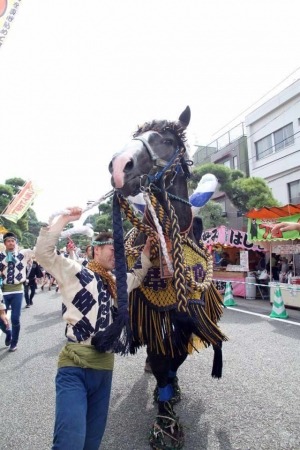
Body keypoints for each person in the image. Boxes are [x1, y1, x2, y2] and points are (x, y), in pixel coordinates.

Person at [35, 206, 152, 450]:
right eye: (112, 250)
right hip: (74, 365)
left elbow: (138, 275)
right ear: (96, 250)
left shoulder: (117, 284)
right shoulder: (75, 271)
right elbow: (44, 254)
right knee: (70, 441)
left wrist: (148, 250)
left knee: (91, 442)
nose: (117, 257)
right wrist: (64, 220)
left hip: (104, 368)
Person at [0, 232, 34, 352]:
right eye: (8, 241)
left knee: (15, 319)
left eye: (13, 241)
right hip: (3, 290)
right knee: (0, 318)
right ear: (4, 243)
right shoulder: (0, 256)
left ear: (16, 242)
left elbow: (37, 250)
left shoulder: (23, 254)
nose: (11, 243)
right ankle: (8, 332)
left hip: (18, 290)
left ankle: (14, 342)